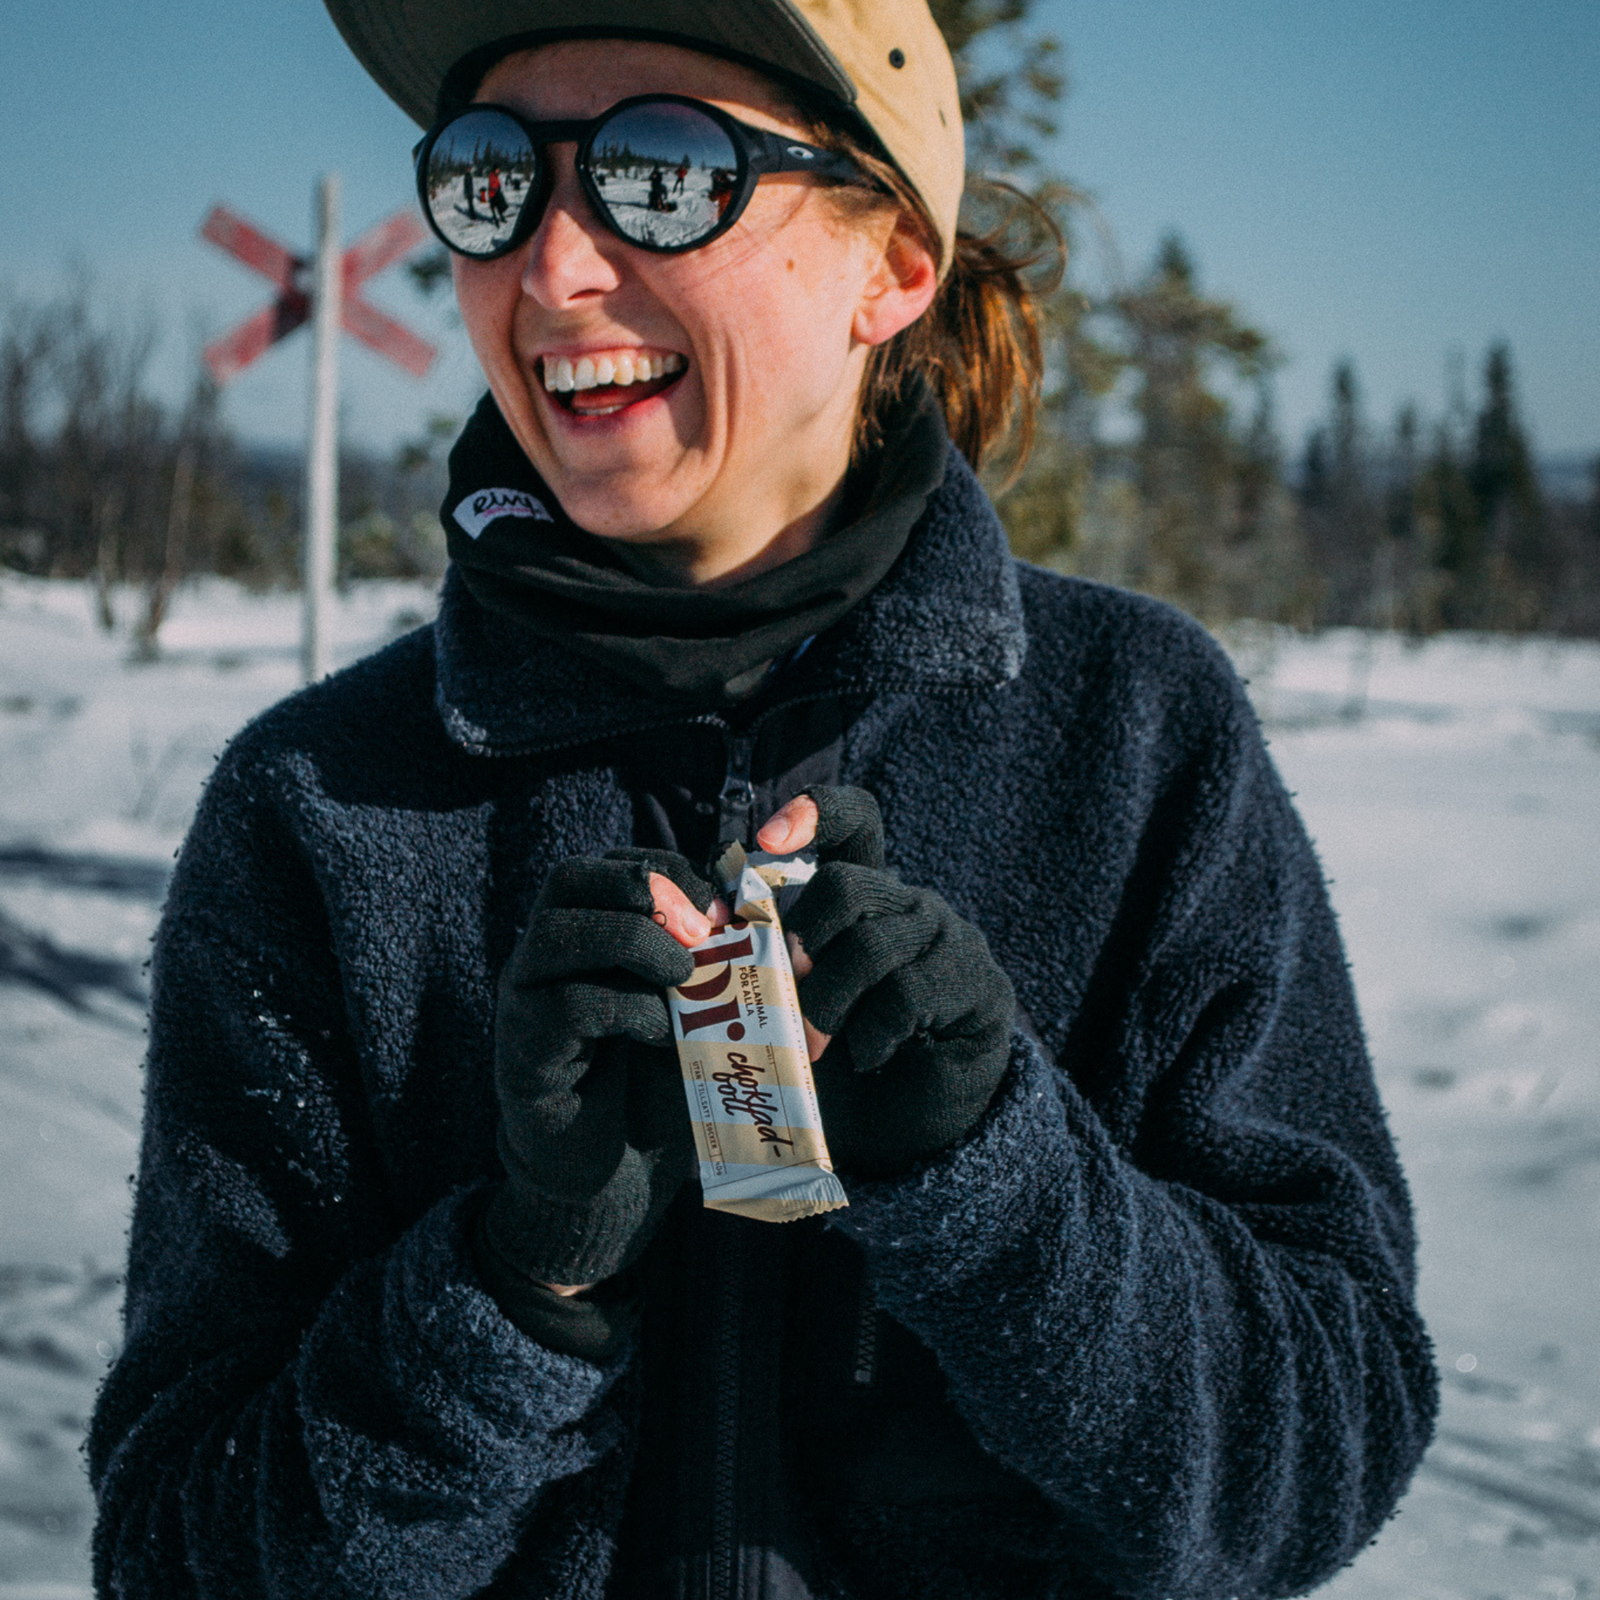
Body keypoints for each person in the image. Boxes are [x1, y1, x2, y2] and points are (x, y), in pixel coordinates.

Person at [89, 3, 1438, 1598]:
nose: (552, 267)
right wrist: (515, 1285)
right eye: (491, 178)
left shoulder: (1133, 736)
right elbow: (177, 1551)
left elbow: (1319, 1456)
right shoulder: (327, 805)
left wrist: (998, 1185)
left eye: (663, 172)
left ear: (895, 266)